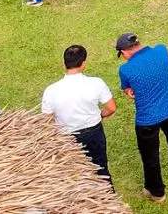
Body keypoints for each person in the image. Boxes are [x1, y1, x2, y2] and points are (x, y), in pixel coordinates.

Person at [117, 32, 168, 200]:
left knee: (150, 155)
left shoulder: (126, 69)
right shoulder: (162, 50)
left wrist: (129, 92)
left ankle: (156, 191)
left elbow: (129, 90)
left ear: (124, 52)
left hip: (147, 119)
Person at [41, 44, 118, 179]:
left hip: (67, 136)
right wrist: (100, 115)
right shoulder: (96, 83)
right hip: (94, 133)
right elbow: (111, 107)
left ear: (64, 63)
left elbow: (46, 120)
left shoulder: (51, 91)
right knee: (101, 169)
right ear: (83, 64)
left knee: (74, 174)